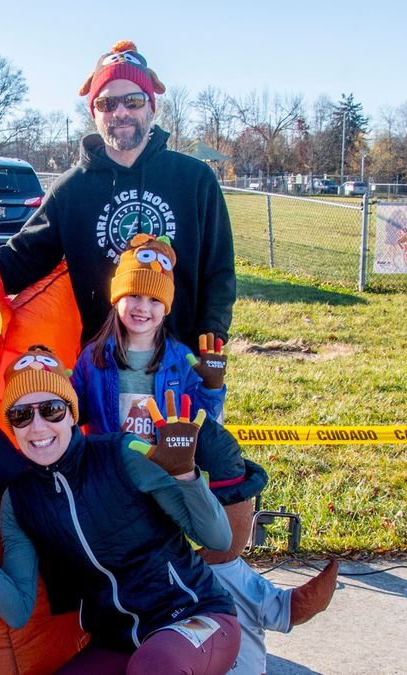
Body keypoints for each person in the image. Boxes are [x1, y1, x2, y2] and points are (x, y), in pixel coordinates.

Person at [71, 234, 339, 674]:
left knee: (204, 559)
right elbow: (74, 413)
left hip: (168, 478)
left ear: (167, 307)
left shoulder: (178, 359)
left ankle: (244, 636)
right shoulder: (94, 358)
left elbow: (204, 427)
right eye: (133, 295)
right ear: (118, 298)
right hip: (115, 483)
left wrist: (211, 388)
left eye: (154, 299)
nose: (143, 307)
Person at [0, 345, 241, 674]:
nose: (38, 426)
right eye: (21, 415)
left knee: (156, 665)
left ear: (72, 413)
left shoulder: (123, 454)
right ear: (12, 428)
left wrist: (187, 477)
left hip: (195, 618)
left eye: (52, 410)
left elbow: (217, 539)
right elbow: (17, 610)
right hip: (120, 641)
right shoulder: (20, 500)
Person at [0, 40, 235, 354]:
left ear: (152, 106)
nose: (120, 112)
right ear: (94, 113)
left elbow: (218, 270)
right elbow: (22, 258)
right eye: (107, 104)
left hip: (179, 361)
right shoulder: (71, 189)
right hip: (100, 368)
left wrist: (211, 335)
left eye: (132, 100)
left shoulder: (194, 180)